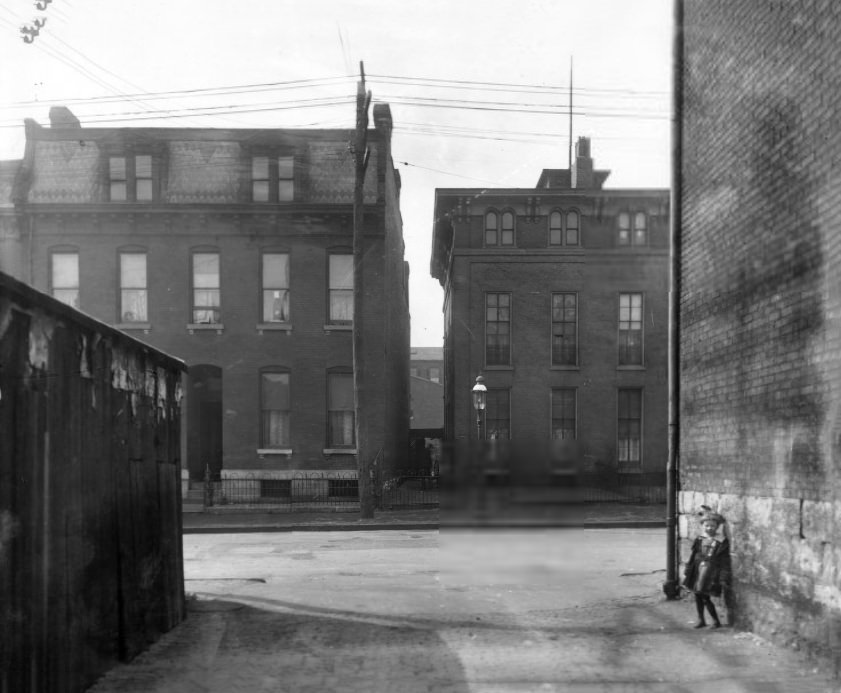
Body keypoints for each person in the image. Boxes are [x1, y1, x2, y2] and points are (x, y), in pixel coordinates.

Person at [682, 508, 731, 629]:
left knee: (705, 596)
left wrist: (723, 577)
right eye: (707, 525)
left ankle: (715, 621)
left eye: (713, 526)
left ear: (717, 527)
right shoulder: (700, 539)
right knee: (697, 594)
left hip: (710, 572)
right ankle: (701, 619)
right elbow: (694, 555)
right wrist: (689, 569)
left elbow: (724, 562)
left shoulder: (721, 541)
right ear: (702, 526)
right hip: (698, 570)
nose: (709, 528)